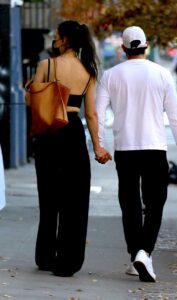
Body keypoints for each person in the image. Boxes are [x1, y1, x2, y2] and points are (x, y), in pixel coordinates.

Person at [96, 26, 177, 282]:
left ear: (124, 48)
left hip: (125, 149)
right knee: (155, 203)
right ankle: (144, 252)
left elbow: (98, 112)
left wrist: (99, 144)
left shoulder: (111, 75)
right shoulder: (162, 74)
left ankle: (135, 255)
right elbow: (175, 117)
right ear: (146, 45)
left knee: (129, 203)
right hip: (154, 148)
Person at [31, 20, 111, 277]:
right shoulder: (88, 71)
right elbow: (92, 114)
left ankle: (45, 256)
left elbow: (31, 99)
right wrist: (98, 146)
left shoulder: (47, 65)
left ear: (64, 39)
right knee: (74, 198)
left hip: (49, 133)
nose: (54, 39)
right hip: (73, 132)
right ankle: (69, 261)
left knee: (48, 195)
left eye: (56, 36)